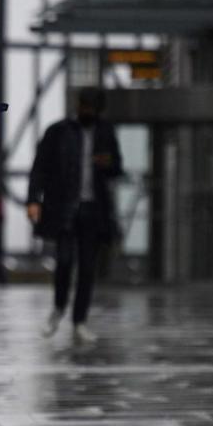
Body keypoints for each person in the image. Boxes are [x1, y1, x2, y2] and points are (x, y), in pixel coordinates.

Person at [26, 88, 122, 343]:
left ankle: (79, 320)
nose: (87, 112)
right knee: (65, 261)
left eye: (92, 109)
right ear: (78, 106)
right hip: (64, 207)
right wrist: (34, 199)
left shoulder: (105, 132)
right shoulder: (58, 132)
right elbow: (40, 168)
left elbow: (117, 168)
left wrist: (107, 164)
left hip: (94, 209)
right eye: (85, 107)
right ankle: (58, 308)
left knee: (88, 268)